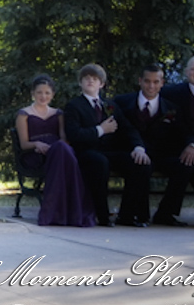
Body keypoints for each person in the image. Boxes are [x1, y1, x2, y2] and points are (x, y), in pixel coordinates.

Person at [117, 64, 194, 231]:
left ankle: (168, 213)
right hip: (134, 153)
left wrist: (192, 145)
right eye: (147, 81)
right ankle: (135, 214)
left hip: (162, 154)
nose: (151, 86)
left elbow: (185, 131)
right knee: (141, 165)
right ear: (140, 81)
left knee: (189, 163)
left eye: (156, 82)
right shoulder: (122, 102)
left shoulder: (171, 108)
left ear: (162, 83)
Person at [63, 63, 153, 227]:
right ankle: (102, 215)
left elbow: (128, 128)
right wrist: (100, 130)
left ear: (101, 84)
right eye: (86, 78)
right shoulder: (74, 106)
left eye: (95, 78)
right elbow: (74, 134)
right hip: (86, 152)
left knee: (140, 164)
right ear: (80, 83)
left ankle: (126, 215)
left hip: (109, 152)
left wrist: (138, 147)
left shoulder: (109, 105)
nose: (90, 81)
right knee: (100, 163)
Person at [16, 75, 93, 227]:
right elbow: (24, 144)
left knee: (62, 148)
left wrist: (55, 147)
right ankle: (64, 214)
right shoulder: (23, 114)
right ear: (33, 93)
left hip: (56, 151)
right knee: (63, 152)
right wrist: (37, 144)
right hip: (35, 154)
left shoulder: (58, 114)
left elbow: (64, 138)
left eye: (47, 93)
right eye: (39, 92)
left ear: (52, 95)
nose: (43, 96)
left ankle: (66, 213)